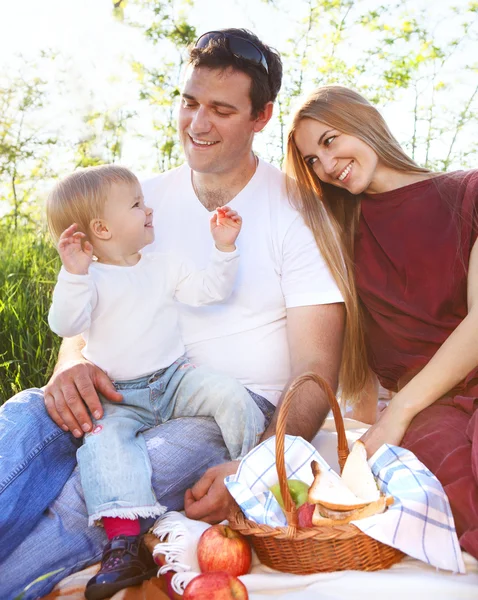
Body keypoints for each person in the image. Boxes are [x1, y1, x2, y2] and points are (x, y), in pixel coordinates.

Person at [0, 30, 348, 599]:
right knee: (21, 422)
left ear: (261, 117)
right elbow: (89, 309)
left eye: (221, 109)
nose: (197, 124)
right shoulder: (138, 200)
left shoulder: (299, 214)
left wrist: (255, 469)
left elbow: (316, 371)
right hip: (123, 388)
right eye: (189, 102)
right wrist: (70, 371)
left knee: (92, 491)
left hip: (222, 406)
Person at [46, 164, 266, 599]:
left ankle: (255, 475)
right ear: (103, 228)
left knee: (230, 395)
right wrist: (72, 273)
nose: (148, 210)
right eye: (136, 205)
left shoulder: (164, 266)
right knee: (106, 449)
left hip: (173, 378)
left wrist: (224, 249)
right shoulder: (88, 280)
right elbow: (65, 322)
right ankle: (122, 545)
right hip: (117, 396)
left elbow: (209, 291)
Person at [286, 84, 478, 560]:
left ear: (363, 119)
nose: (326, 166)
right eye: (311, 160)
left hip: (423, 399)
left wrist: (398, 412)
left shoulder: (468, 191)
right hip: (433, 409)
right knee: (451, 481)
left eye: (329, 141)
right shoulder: (336, 237)